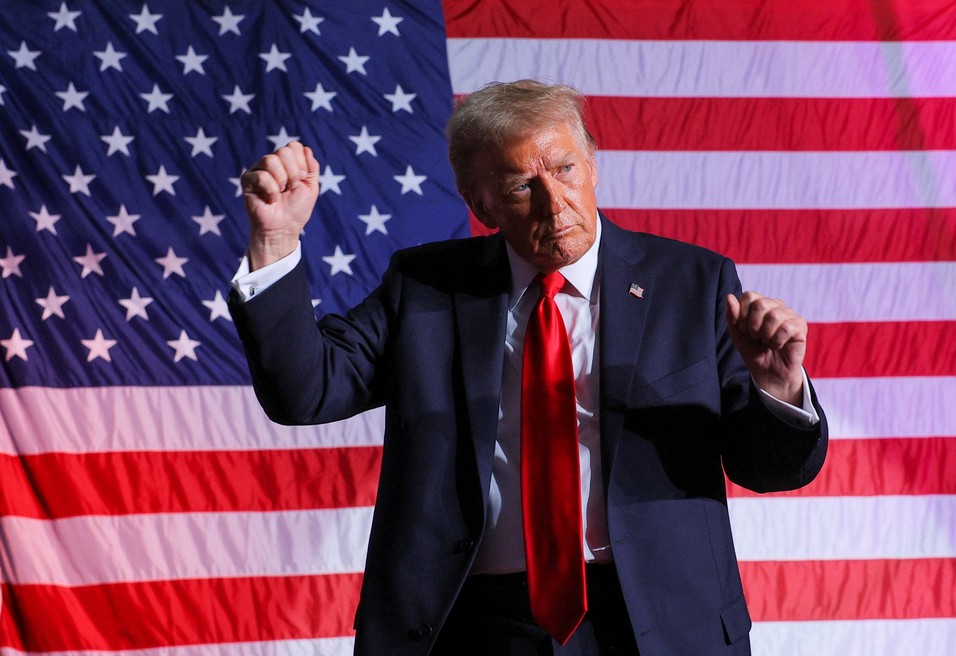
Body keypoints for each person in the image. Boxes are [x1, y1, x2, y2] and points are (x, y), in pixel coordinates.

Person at [229, 80, 828, 656]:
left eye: (564, 169)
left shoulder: (693, 283)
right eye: (521, 184)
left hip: (657, 620)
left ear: (592, 164)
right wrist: (275, 244)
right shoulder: (426, 287)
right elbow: (305, 393)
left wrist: (777, 385)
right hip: (475, 624)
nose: (554, 202)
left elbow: (771, 468)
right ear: (481, 204)